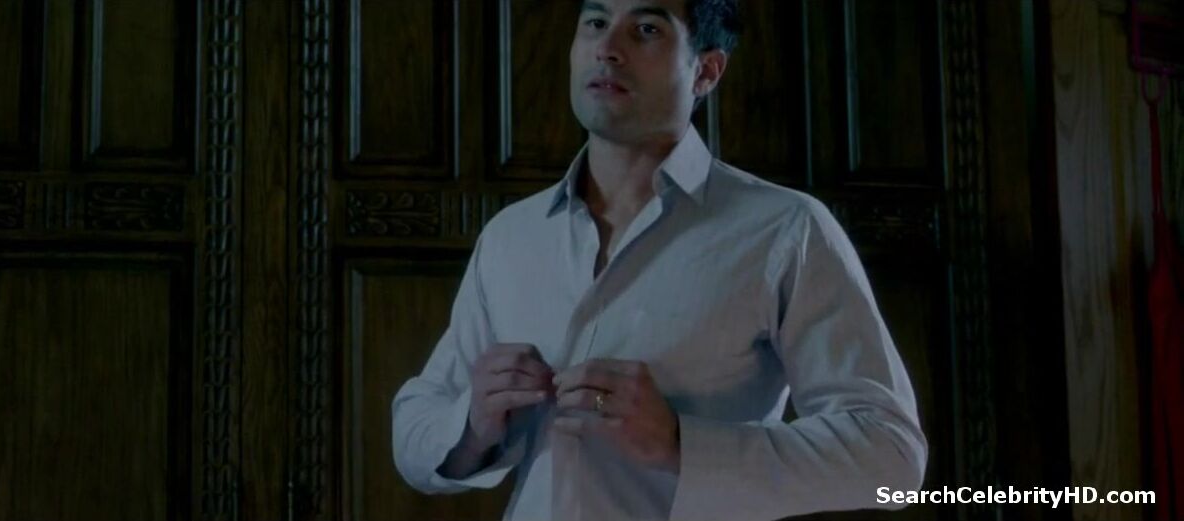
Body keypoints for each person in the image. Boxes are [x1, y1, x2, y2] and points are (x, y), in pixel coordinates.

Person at [391, 0, 927, 519]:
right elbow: (415, 429)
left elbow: (892, 457)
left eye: (646, 29)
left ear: (706, 71)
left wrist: (681, 444)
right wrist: (471, 426)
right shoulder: (512, 236)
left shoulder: (785, 231)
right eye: (595, 22)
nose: (607, 48)